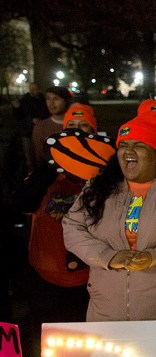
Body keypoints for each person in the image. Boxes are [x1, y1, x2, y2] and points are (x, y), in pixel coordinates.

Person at [62, 114, 156, 338]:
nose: (128, 151)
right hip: (105, 312)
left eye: (139, 145)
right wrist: (107, 256)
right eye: (123, 145)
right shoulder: (98, 188)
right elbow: (72, 228)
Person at [13, 104, 98, 334]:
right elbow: (21, 203)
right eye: (71, 126)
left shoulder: (102, 178)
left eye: (84, 126)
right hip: (45, 279)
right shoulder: (45, 176)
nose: (77, 131)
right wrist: (55, 164)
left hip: (88, 280)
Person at [12, 82, 50, 175]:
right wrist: (17, 108)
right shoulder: (24, 100)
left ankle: (42, 175)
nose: (33, 91)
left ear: (39, 89)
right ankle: (31, 175)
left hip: (41, 132)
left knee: (42, 155)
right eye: (31, 89)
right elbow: (19, 117)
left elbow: (48, 114)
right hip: (27, 132)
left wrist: (41, 121)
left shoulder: (44, 100)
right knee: (29, 157)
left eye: (35, 89)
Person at [31, 86, 72, 169]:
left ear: (66, 102)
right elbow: (38, 157)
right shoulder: (40, 127)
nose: (51, 103)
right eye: (48, 98)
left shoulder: (77, 125)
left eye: (56, 99)